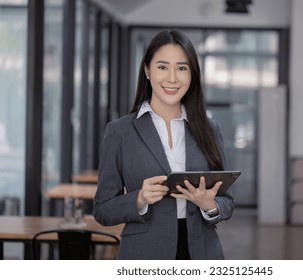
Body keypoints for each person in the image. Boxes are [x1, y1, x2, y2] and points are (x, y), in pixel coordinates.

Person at [93, 30, 234, 260]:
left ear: (192, 74)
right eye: (162, 67)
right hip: (144, 254)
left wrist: (209, 205)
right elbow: (102, 210)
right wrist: (139, 199)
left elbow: (227, 201)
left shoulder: (209, 128)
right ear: (147, 70)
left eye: (181, 68)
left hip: (202, 253)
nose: (172, 78)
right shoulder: (120, 132)